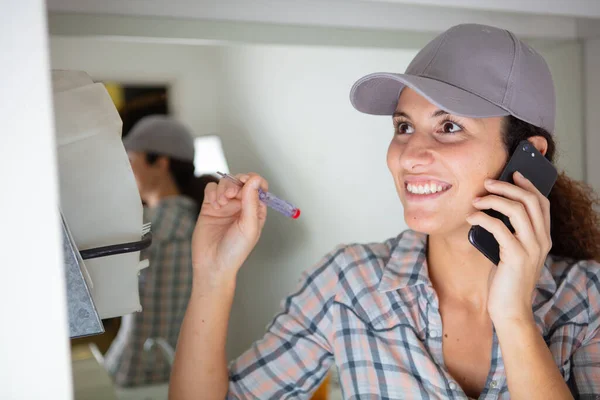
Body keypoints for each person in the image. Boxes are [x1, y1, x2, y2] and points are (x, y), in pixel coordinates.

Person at [170, 24, 600, 399]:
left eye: (449, 127)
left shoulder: (587, 300)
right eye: (403, 126)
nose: (410, 154)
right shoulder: (347, 285)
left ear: (528, 156)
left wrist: (515, 319)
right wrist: (213, 273)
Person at [104, 115, 218, 387]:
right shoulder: (196, 220)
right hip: (175, 373)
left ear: (161, 162)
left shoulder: (154, 225)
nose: (127, 171)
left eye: (131, 161)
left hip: (137, 374)